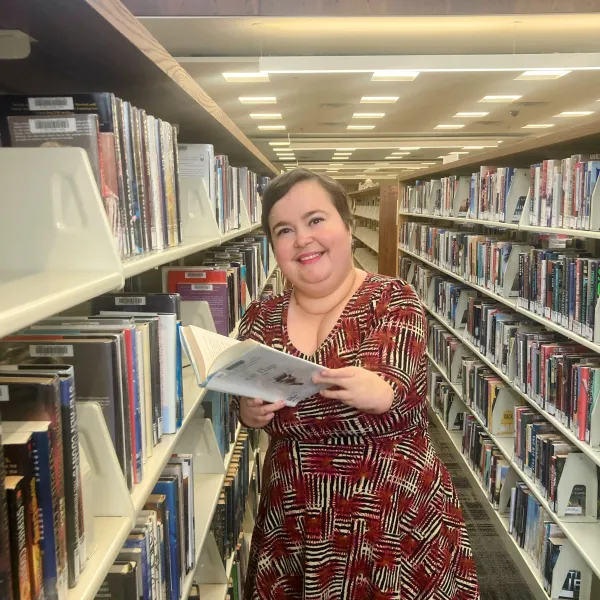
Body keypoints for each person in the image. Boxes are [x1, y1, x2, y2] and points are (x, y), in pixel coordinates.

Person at [236, 168, 480, 600]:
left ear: (348, 227)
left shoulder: (394, 298)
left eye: (316, 220)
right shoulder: (261, 315)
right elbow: (251, 391)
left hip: (390, 519)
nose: (303, 239)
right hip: (294, 520)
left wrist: (381, 395)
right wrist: (249, 412)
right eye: (284, 230)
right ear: (273, 247)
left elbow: (395, 388)